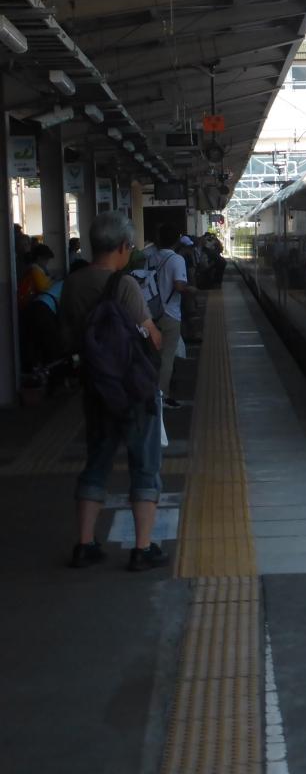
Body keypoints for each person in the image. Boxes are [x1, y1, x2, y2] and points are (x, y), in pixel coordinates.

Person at [60, 211, 167, 572]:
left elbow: (68, 336)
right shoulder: (124, 285)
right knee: (145, 466)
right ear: (122, 246)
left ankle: (84, 544)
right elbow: (151, 337)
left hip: (96, 388)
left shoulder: (73, 284)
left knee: (96, 463)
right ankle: (142, 548)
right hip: (133, 389)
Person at [147, 224, 191, 410]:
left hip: (150, 313)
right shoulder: (176, 259)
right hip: (170, 314)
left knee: (152, 357)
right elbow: (179, 286)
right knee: (167, 358)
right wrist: (192, 290)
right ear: (176, 240)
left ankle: (150, 393)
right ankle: (162, 397)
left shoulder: (151, 257)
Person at [17, 242, 54, 310]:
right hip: (31, 305)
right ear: (39, 258)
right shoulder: (35, 270)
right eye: (46, 259)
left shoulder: (35, 269)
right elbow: (43, 288)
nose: (47, 262)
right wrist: (51, 282)